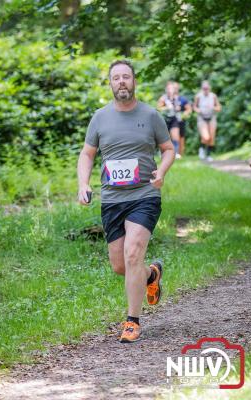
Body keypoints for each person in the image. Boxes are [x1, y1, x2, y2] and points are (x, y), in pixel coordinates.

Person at [78, 60, 175, 343]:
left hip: (144, 195)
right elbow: (87, 154)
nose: (121, 82)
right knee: (121, 266)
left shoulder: (151, 115)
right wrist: (83, 183)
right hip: (112, 199)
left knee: (134, 253)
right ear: (110, 83)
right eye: (116, 78)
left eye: (126, 77)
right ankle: (151, 274)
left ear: (134, 81)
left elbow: (168, 149)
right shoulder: (100, 118)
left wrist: (162, 171)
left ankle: (132, 321)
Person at [194, 80, 221, 161]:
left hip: (211, 117)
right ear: (202, 88)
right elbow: (194, 107)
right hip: (202, 118)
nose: (205, 90)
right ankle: (201, 149)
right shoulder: (198, 96)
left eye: (207, 88)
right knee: (206, 137)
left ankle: (208, 155)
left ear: (209, 88)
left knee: (212, 137)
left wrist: (213, 108)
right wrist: (198, 110)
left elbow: (219, 108)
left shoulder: (213, 96)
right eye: (204, 88)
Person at [157, 81, 181, 158]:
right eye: (169, 88)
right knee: (164, 137)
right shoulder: (163, 98)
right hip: (165, 119)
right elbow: (158, 108)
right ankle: (161, 152)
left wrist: (178, 108)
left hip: (174, 118)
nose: (170, 90)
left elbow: (178, 107)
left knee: (175, 136)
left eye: (172, 88)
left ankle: (176, 153)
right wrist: (166, 108)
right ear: (166, 89)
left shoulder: (176, 98)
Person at [173, 82, 192, 156]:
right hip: (171, 121)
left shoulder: (182, 99)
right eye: (173, 88)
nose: (175, 89)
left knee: (181, 137)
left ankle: (180, 154)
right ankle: (175, 153)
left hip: (181, 120)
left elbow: (189, 109)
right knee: (174, 136)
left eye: (176, 88)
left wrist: (184, 114)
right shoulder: (168, 98)